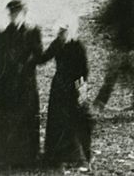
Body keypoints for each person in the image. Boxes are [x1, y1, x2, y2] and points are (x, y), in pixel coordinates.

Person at [0, 0, 43, 168]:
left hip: (26, 82)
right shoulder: (2, 33)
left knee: (27, 117)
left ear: (24, 14)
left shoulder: (33, 32)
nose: (14, 16)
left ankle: (28, 157)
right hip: (7, 82)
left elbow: (39, 55)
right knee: (6, 118)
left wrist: (25, 64)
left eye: (17, 13)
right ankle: (4, 156)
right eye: (11, 13)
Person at [40, 15, 93, 165]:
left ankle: (75, 155)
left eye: (64, 31)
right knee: (57, 120)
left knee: (73, 120)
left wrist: (81, 89)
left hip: (72, 87)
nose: (62, 34)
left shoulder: (77, 47)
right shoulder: (57, 44)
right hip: (58, 87)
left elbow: (84, 70)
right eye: (60, 31)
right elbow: (44, 58)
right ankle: (56, 155)